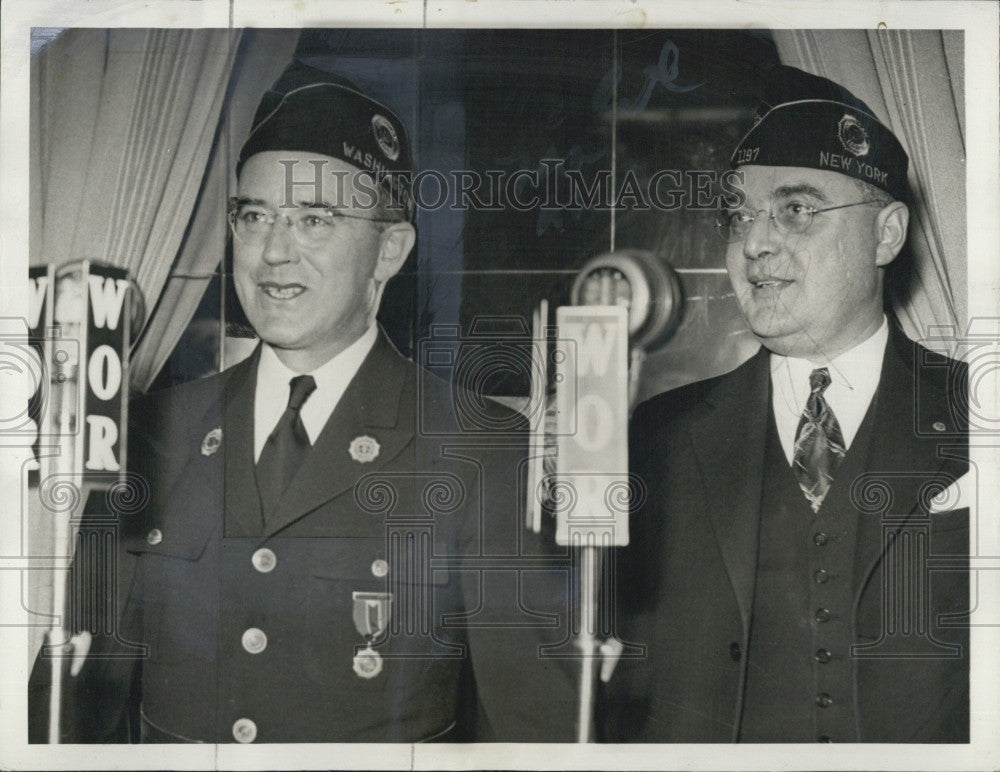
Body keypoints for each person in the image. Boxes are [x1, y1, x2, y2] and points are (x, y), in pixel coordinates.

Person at [30, 61, 575, 743]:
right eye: (255, 216)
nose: (274, 253)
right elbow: (71, 706)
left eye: (314, 219)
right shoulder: (149, 435)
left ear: (389, 250)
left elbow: (533, 732)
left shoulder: (478, 449)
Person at [600, 65, 969, 743]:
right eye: (739, 215)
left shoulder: (979, 417)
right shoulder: (656, 436)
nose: (755, 243)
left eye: (796, 210)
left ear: (887, 234)